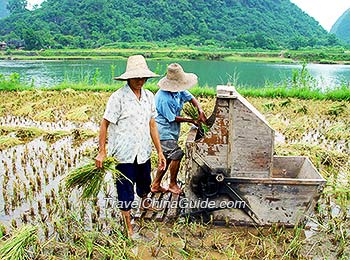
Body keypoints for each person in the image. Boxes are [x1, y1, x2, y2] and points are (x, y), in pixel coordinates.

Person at [95, 55, 166, 238]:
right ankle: (128, 226)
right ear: (128, 78)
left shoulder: (149, 96)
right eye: (137, 78)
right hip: (123, 155)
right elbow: (104, 124)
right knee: (125, 191)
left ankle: (145, 202)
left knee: (144, 183)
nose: (140, 81)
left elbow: (152, 124)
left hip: (143, 151)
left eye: (143, 78)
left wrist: (159, 151)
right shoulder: (118, 98)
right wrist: (102, 152)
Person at [151, 63, 207, 195]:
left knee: (167, 157)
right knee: (176, 154)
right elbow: (172, 118)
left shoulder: (179, 90)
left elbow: (191, 98)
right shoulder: (163, 98)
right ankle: (172, 184)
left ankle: (155, 185)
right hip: (163, 131)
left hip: (172, 130)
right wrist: (192, 120)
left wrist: (200, 110)